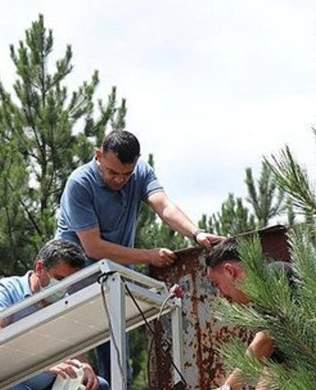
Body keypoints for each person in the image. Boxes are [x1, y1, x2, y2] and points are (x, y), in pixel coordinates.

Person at [55, 130, 223, 386]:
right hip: (77, 279)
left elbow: (164, 206)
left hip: (113, 279)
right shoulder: (79, 183)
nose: (120, 180)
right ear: (98, 156)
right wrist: (148, 256)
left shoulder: (141, 173)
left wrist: (196, 233)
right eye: (113, 172)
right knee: (81, 370)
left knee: (119, 370)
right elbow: (93, 247)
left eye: (126, 174)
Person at [0, 239, 109, 390]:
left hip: (48, 383)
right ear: (39, 268)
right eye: (59, 278)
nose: (63, 287)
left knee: (99, 386)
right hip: (1, 378)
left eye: (70, 282)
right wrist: (40, 364)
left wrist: (83, 365)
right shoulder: (6, 290)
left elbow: (73, 347)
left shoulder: (65, 303)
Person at [205, 237, 298, 390]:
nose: (220, 294)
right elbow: (275, 368)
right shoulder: (258, 306)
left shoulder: (272, 275)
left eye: (217, 284)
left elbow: (266, 340)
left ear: (230, 271)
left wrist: (227, 387)